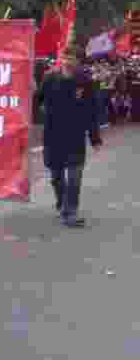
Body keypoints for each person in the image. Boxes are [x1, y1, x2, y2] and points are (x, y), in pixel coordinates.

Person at [38, 46, 103, 227]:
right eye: (65, 57)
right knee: (56, 177)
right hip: (53, 136)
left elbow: (92, 111)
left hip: (75, 137)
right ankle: (62, 203)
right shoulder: (50, 78)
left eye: (71, 58)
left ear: (78, 61)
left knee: (74, 177)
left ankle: (70, 212)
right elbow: (37, 100)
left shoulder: (85, 81)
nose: (67, 61)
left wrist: (95, 138)